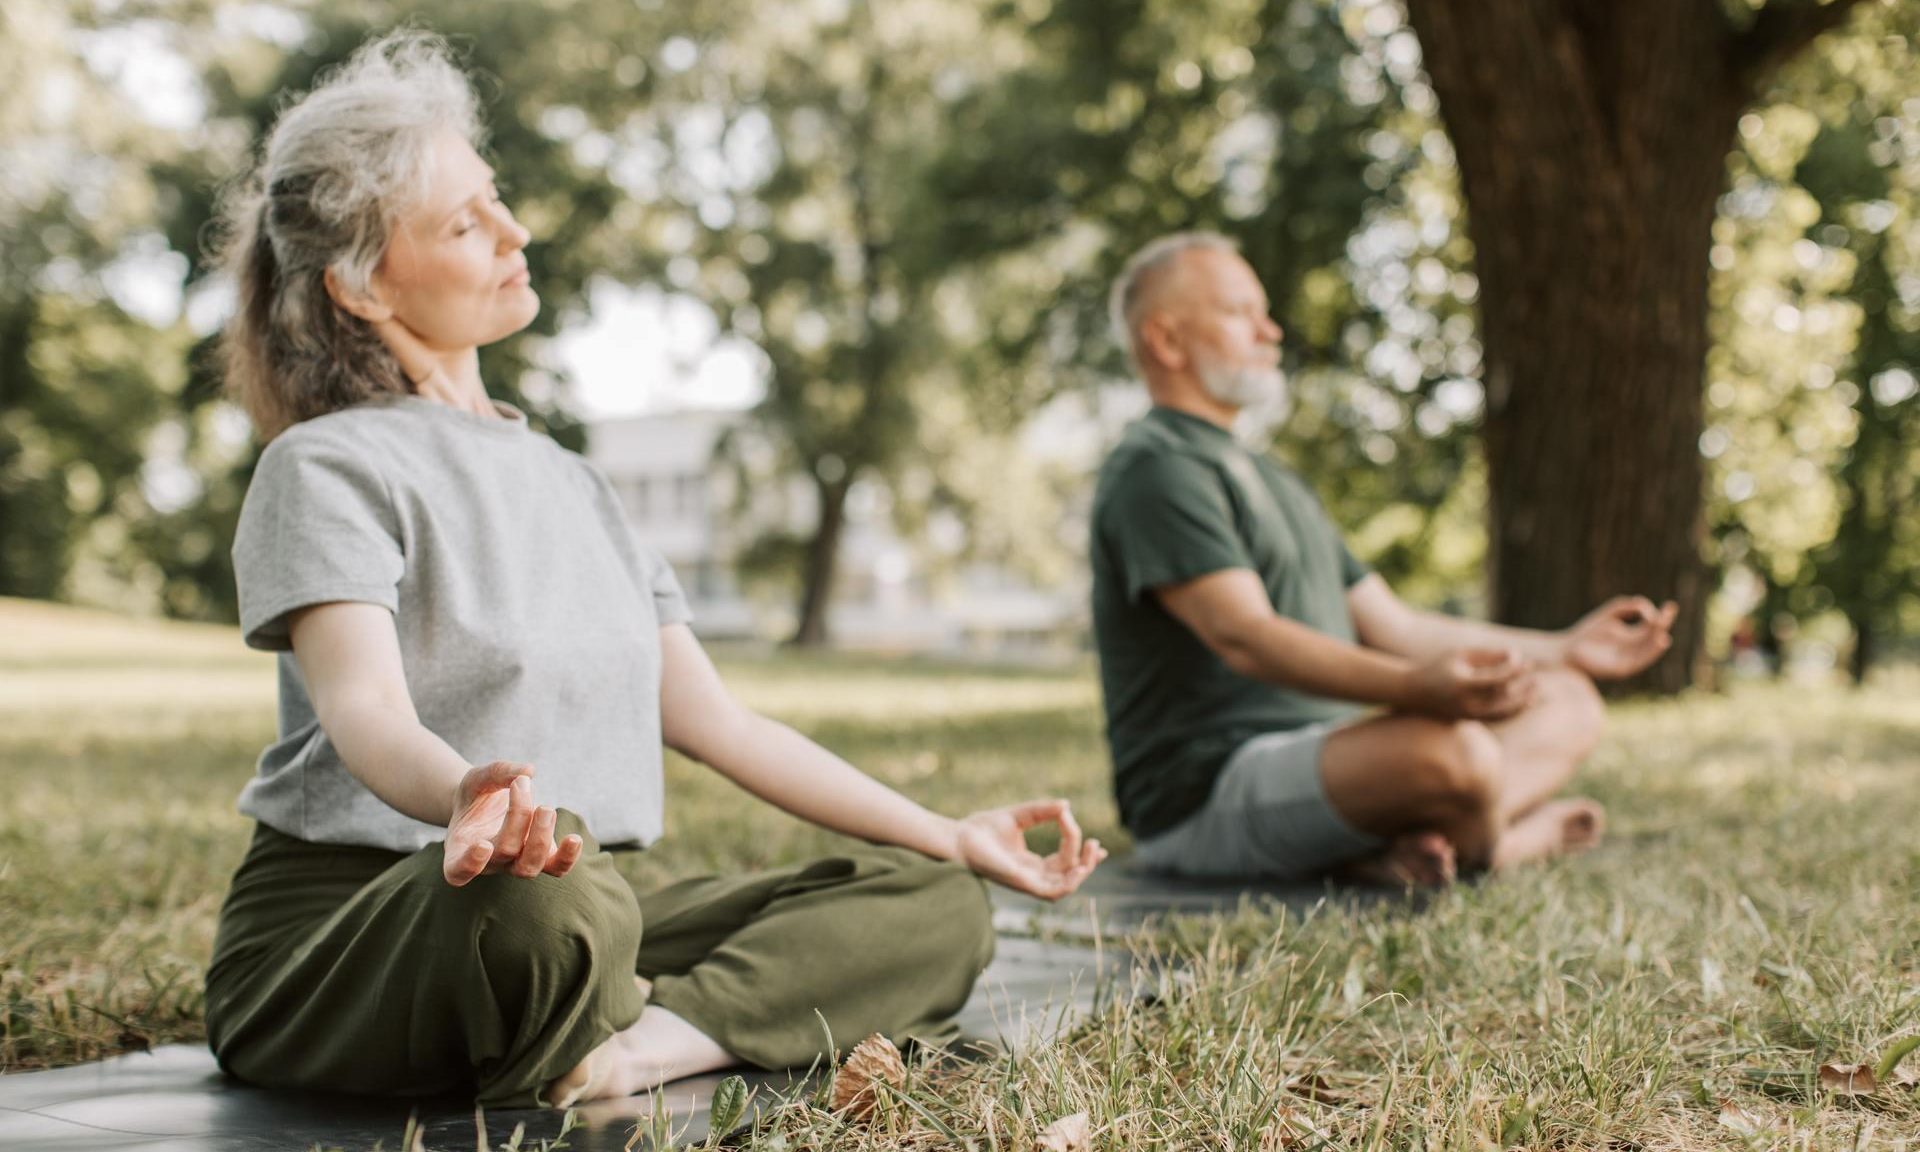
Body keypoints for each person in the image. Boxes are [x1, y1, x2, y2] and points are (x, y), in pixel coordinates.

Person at [202, 31, 1104, 1111]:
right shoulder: (326, 465)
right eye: (464, 222)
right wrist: (464, 794)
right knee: (551, 885)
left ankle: (635, 1050)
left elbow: (726, 726)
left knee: (933, 901)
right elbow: (363, 710)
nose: (515, 231)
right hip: (366, 930)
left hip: (586, 906)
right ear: (361, 287)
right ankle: (594, 1011)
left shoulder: (579, 486)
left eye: (498, 201)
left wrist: (947, 831)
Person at [1090, 232, 1677, 887]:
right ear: (1165, 341)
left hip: (1337, 764)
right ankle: (1504, 843)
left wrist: (1563, 649)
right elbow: (1246, 638)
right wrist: (1417, 690)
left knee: (1568, 700)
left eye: (1264, 312)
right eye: (1239, 313)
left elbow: (1399, 629)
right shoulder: (1158, 469)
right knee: (1454, 752)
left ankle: (1399, 847)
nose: (1271, 331)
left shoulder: (1272, 479)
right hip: (1205, 792)